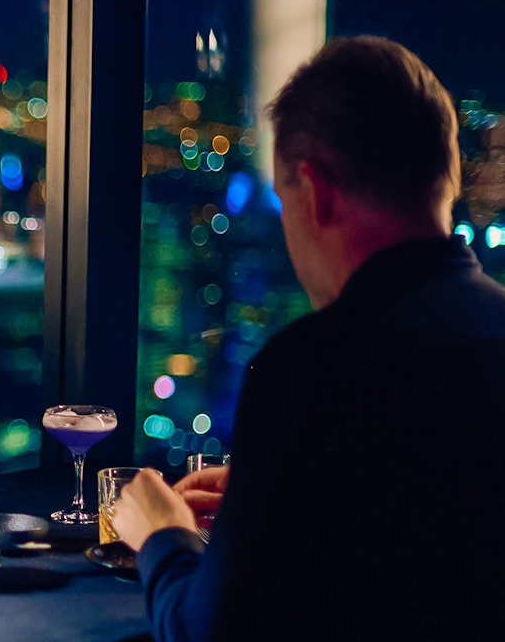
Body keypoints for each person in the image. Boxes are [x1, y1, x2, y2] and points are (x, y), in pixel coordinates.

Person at [111, 36, 505, 640]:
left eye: (283, 197)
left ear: (315, 190)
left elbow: (208, 633)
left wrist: (162, 536)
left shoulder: (310, 370)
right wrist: (272, 489)